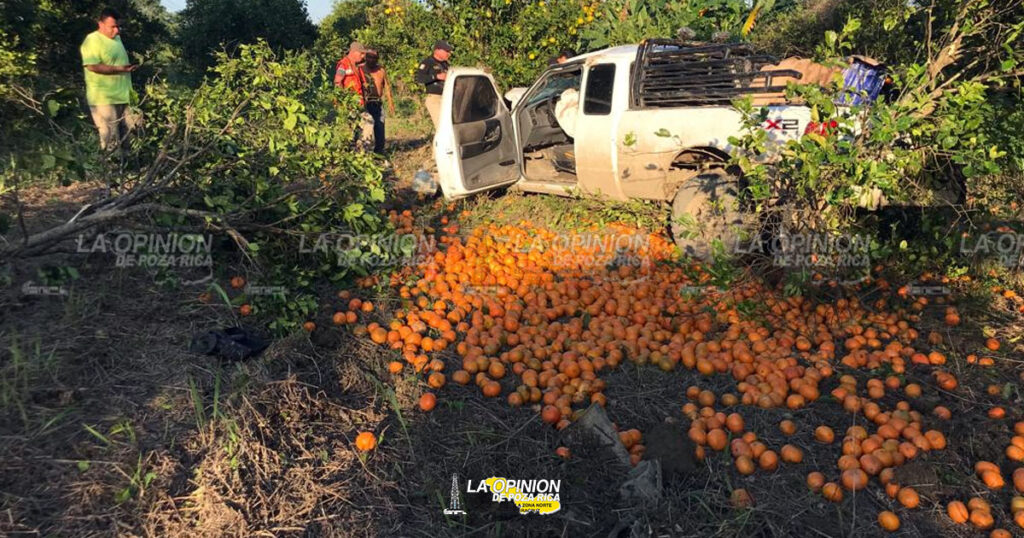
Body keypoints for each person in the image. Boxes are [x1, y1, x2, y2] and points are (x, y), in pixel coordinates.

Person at [80, 8, 138, 152]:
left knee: (132, 137)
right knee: (110, 140)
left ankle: (131, 165)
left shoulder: (117, 39)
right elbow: (92, 66)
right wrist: (120, 69)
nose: (116, 30)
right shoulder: (92, 40)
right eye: (112, 27)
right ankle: (109, 165)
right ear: (100, 24)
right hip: (104, 99)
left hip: (125, 97)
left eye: (118, 26)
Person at [334, 41, 374, 151]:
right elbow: (337, 83)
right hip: (349, 105)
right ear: (354, 52)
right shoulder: (343, 65)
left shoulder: (357, 67)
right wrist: (344, 103)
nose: (363, 56)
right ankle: (362, 151)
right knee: (367, 122)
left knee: (358, 128)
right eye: (361, 53)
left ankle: (359, 152)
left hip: (359, 104)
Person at [361, 50, 395, 154]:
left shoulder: (381, 70)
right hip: (365, 103)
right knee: (365, 128)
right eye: (369, 57)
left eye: (374, 58)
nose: (371, 60)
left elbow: (387, 87)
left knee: (380, 127)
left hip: (377, 103)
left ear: (377, 59)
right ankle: (363, 152)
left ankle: (379, 152)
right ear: (365, 57)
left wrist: (391, 103)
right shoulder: (361, 69)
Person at [415, 40, 452, 130]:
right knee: (441, 127)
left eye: (449, 51)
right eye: (446, 51)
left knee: (449, 126)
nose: (449, 53)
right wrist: (436, 76)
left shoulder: (446, 64)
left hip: (447, 98)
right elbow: (419, 79)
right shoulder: (427, 62)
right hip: (435, 98)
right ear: (437, 50)